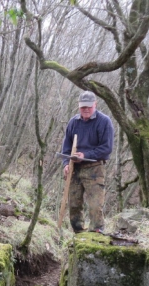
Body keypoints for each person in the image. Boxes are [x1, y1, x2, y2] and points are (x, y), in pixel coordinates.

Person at [61, 91, 114, 233]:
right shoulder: (73, 122)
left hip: (94, 168)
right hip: (74, 168)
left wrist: (85, 155)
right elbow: (66, 147)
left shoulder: (104, 122)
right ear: (78, 106)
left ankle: (96, 235)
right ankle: (78, 234)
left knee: (95, 206)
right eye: (83, 106)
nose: (85, 109)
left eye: (89, 107)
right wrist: (66, 163)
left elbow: (106, 148)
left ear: (95, 104)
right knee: (74, 204)